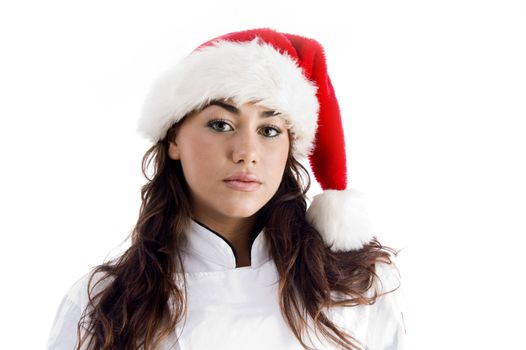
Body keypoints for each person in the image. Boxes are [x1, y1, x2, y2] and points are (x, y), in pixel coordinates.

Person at [46, 27, 407, 350]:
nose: (246, 153)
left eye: (269, 131)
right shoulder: (104, 304)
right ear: (174, 138)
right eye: (220, 124)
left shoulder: (358, 289)